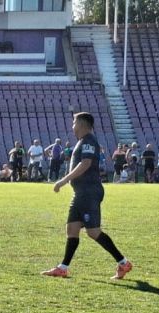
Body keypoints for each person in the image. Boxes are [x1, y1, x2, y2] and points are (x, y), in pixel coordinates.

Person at [41, 112, 132, 280]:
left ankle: (123, 263)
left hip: (89, 192)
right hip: (81, 193)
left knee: (93, 232)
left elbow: (86, 163)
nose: (72, 126)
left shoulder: (89, 141)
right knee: (72, 229)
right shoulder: (83, 141)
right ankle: (63, 268)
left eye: (74, 123)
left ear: (82, 124)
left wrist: (63, 180)